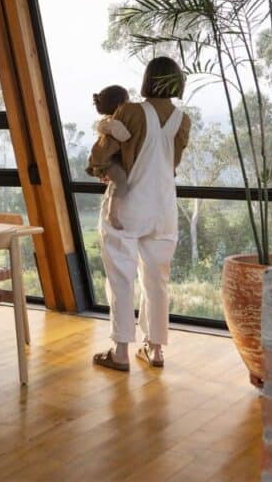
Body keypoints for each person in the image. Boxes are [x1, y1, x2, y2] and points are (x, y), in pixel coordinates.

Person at [89, 57, 190, 371]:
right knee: (157, 280)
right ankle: (155, 350)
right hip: (164, 209)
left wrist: (103, 168)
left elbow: (99, 156)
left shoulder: (130, 112)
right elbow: (172, 163)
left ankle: (120, 352)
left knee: (121, 278)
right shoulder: (182, 120)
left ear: (148, 79)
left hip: (128, 206)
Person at [86, 85, 131, 231]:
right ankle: (112, 215)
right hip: (108, 162)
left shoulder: (110, 122)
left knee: (119, 182)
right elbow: (125, 136)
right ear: (120, 104)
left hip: (108, 160)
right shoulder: (111, 123)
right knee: (121, 182)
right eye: (127, 101)